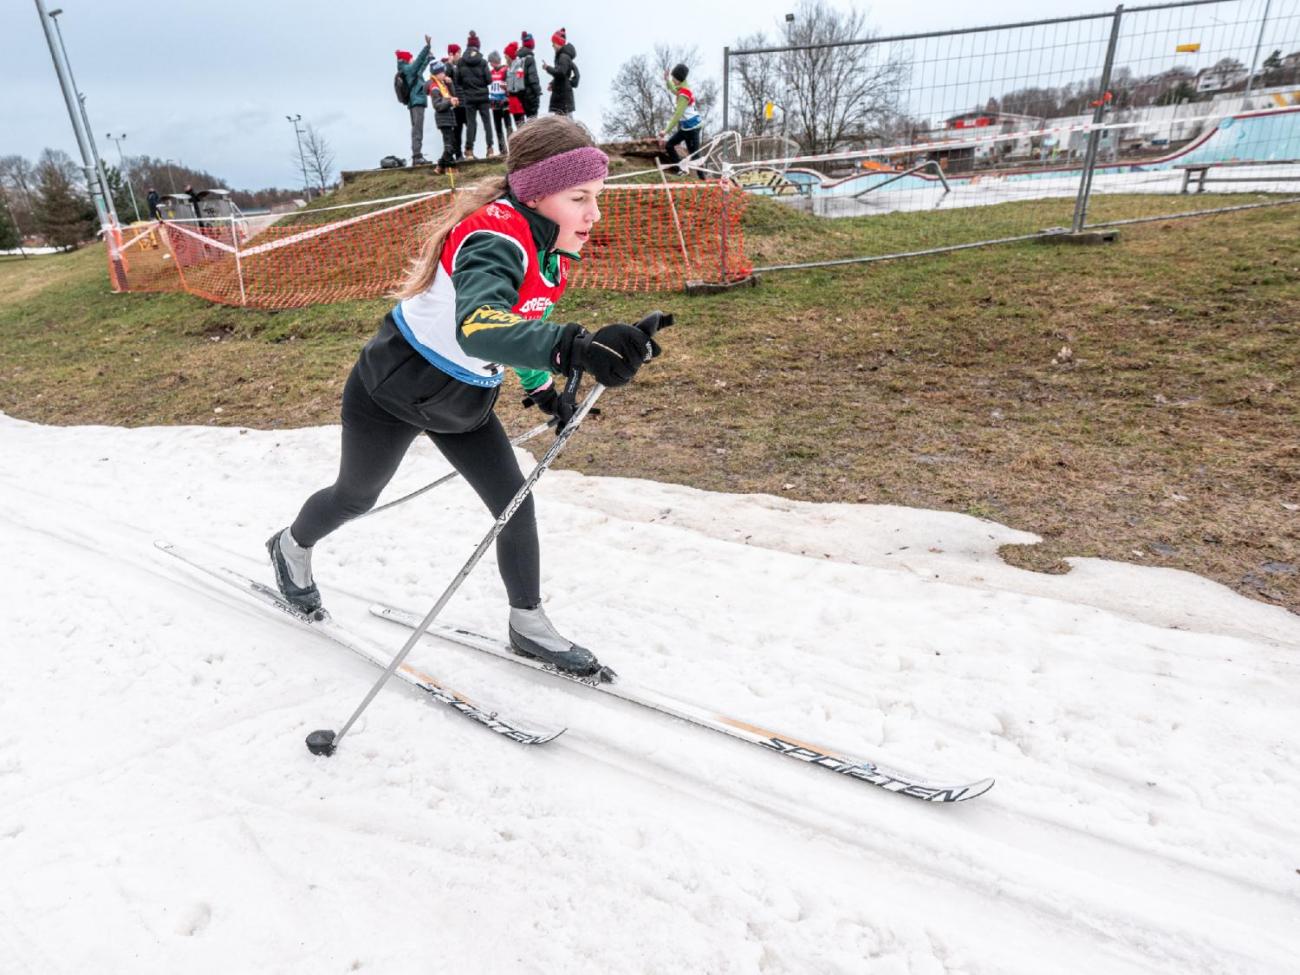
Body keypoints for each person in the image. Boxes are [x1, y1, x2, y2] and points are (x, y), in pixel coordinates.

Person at [265, 116, 668, 677]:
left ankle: (527, 625)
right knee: (357, 496)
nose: (594, 213)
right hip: (394, 387)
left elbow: (526, 316)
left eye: (596, 197)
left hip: (464, 400)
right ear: (538, 192)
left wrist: (543, 390)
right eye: (581, 197)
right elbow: (479, 327)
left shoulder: (546, 248)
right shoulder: (493, 235)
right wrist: (573, 348)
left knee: (514, 500)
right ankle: (290, 547)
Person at [659, 63, 705, 178]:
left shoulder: (684, 94)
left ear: (679, 79)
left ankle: (703, 180)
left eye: (674, 78)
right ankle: (682, 168)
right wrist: (667, 80)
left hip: (693, 128)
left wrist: (666, 130)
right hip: (686, 128)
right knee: (669, 145)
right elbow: (674, 90)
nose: (673, 80)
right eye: (673, 78)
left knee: (695, 156)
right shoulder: (682, 88)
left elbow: (678, 115)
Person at [456, 32, 495, 159]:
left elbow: (458, 80)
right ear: (478, 46)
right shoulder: (483, 62)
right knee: (487, 123)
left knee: (471, 124)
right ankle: (490, 149)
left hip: (469, 97)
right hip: (483, 97)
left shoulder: (461, 62)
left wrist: (468, 87)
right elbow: (489, 80)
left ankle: (469, 150)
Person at [396, 36, 433, 166]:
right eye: (410, 57)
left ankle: (417, 156)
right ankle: (417, 156)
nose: (412, 59)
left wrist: (428, 59)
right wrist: (427, 47)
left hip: (416, 102)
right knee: (417, 129)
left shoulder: (408, 71)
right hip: (416, 103)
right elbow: (417, 63)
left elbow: (420, 68)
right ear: (407, 60)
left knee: (417, 129)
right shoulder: (407, 69)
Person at [427, 63, 460, 175]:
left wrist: (450, 85)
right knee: (449, 145)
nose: (444, 74)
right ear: (437, 73)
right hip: (442, 118)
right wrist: (449, 102)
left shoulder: (442, 84)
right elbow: (437, 105)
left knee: (452, 143)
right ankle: (444, 166)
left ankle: (442, 167)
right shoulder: (434, 87)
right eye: (442, 72)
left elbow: (452, 95)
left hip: (448, 117)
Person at [543, 28, 579, 116]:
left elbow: (561, 73)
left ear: (559, 43)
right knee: (562, 122)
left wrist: (548, 68)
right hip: (562, 96)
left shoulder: (563, 56)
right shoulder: (563, 56)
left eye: (553, 43)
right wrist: (553, 84)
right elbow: (562, 75)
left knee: (567, 123)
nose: (552, 45)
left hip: (563, 97)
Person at [488, 50, 513, 153]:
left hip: (505, 102)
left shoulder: (506, 70)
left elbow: (510, 85)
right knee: (498, 128)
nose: (490, 64)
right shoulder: (490, 72)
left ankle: (512, 148)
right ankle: (503, 151)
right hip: (494, 104)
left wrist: (507, 93)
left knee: (508, 127)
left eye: (490, 61)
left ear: (495, 61)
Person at [446, 44, 466, 161]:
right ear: (452, 54)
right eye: (458, 52)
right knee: (457, 130)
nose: (460, 54)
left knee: (471, 126)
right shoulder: (448, 66)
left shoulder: (462, 65)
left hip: (466, 102)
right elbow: (445, 76)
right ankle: (458, 154)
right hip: (456, 103)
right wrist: (449, 62)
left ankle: (469, 151)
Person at [516, 32, 543, 120]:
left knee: (526, 121)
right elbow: (532, 77)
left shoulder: (519, 58)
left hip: (521, 93)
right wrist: (538, 91)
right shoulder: (530, 59)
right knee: (533, 120)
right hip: (530, 94)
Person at [503, 42, 527, 128]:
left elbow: (519, 83)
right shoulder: (510, 67)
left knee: (521, 124)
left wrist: (508, 86)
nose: (505, 57)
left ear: (510, 56)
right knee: (518, 124)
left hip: (518, 99)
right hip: (512, 99)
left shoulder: (518, 66)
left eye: (506, 55)